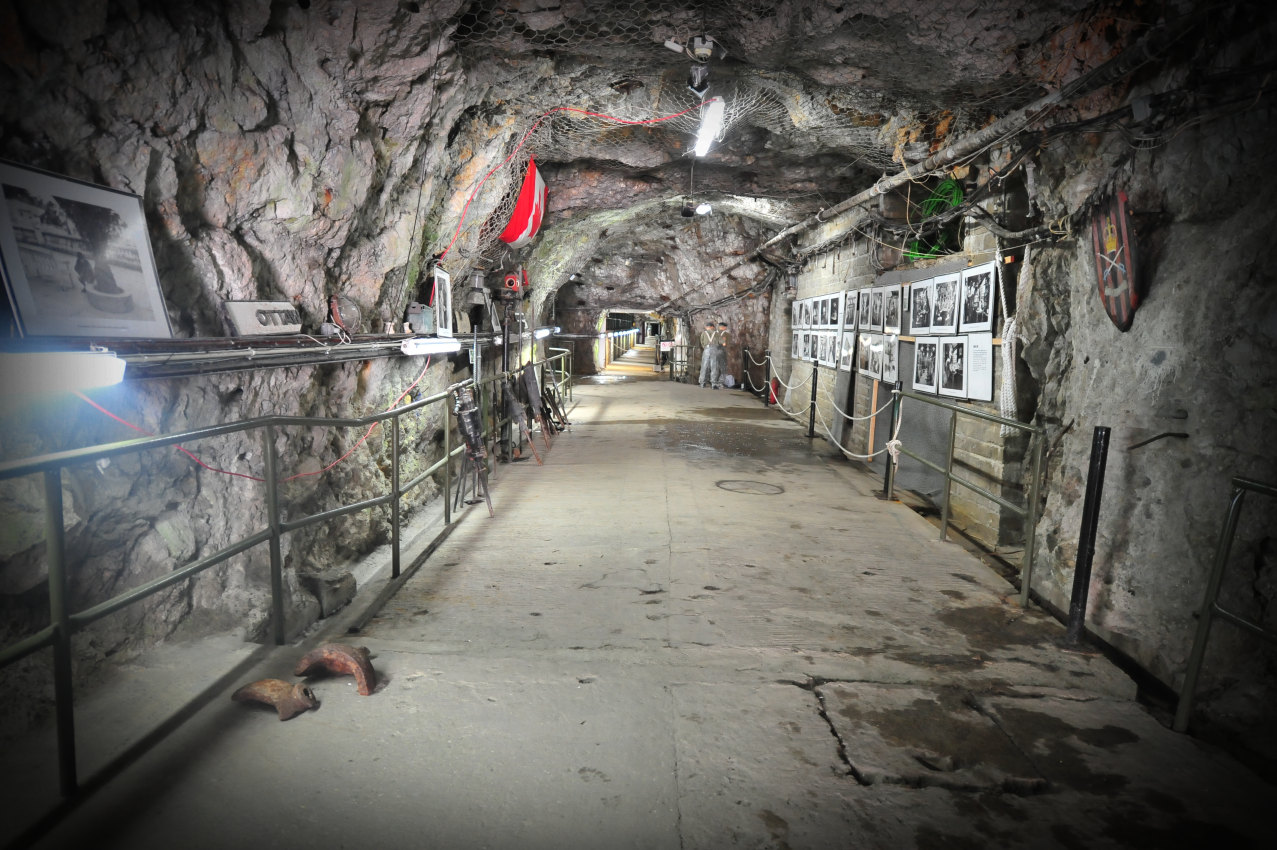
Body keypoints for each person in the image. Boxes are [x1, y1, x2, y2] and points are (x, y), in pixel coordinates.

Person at [698, 321, 722, 389]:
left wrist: (705, 347)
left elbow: (701, 341)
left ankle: (702, 383)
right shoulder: (716, 333)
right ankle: (713, 383)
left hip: (706, 350)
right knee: (714, 366)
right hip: (714, 350)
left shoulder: (703, 333)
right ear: (712, 327)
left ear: (707, 327)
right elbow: (721, 342)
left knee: (704, 366)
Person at [715, 321, 730, 387]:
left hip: (713, 351)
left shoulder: (714, 333)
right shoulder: (725, 334)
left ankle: (714, 382)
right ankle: (720, 382)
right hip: (721, 351)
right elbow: (725, 344)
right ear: (724, 327)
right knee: (723, 367)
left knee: (715, 367)